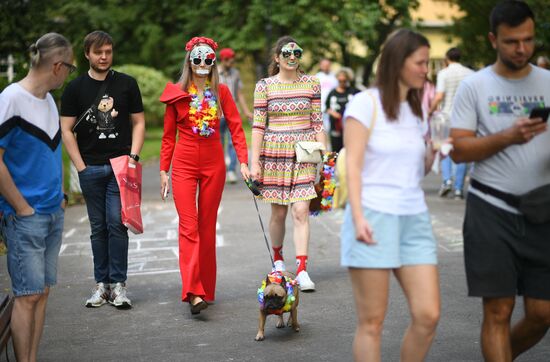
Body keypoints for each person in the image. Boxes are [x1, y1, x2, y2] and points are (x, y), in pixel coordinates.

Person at [450, 1, 550, 360]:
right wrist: (508, 136)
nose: (521, 49)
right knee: (498, 310)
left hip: (542, 209)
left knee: (542, 314)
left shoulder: (548, 83)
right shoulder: (475, 86)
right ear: (494, 39)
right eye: (511, 42)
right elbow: (459, 151)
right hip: (490, 208)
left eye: (527, 40)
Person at [341, 29, 440, 361]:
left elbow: (416, 170)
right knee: (372, 321)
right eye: (421, 63)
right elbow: (352, 165)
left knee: (428, 315)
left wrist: (433, 151)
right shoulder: (364, 103)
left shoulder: (417, 109)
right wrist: (357, 217)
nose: (426, 70)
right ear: (399, 62)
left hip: (414, 217)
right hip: (373, 216)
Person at [159, 37, 250, 315]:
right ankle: (193, 291)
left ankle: (206, 289)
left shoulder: (221, 91)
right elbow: (167, 137)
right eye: (197, 59)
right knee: (189, 226)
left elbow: (236, 128)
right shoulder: (176, 93)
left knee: (207, 227)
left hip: (214, 165)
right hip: (184, 165)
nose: (202, 64)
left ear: (214, 63)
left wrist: (244, 163)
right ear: (189, 60)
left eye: (207, 59)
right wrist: (164, 170)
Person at [0, 32, 73, 362]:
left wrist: (59, 196)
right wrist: (22, 206)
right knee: (27, 296)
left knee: (41, 293)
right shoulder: (11, 99)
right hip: (25, 217)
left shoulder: (48, 99)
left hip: (51, 212)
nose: (69, 73)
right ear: (57, 66)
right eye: (70, 67)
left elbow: (51, 151)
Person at [60, 30, 145, 309]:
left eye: (108, 51)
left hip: (120, 167)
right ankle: (102, 286)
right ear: (87, 54)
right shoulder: (74, 89)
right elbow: (66, 130)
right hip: (91, 168)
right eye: (98, 52)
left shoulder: (126, 84)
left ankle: (119, 286)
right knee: (98, 229)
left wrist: (132, 157)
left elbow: (138, 123)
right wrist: (81, 167)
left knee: (116, 225)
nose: (104, 57)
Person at [251, 36, 327, 292]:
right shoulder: (264, 86)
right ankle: (279, 260)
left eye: (297, 53)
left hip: (304, 154)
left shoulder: (312, 84)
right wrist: (254, 163)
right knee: (279, 212)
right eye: (287, 53)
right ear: (277, 57)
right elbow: (258, 127)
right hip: (273, 155)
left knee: (301, 211)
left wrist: (325, 156)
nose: (292, 57)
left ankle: (303, 269)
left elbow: (317, 122)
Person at [429, 47, 474, 199]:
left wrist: (429, 111)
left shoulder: (444, 73)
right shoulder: (470, 74)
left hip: (446, 117)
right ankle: (458, 188)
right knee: (461, 151)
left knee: (444, 150)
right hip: (465, 118)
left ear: (447, 59)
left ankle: (447, 180)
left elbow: (439, 95)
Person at [218, 47, 253, 184]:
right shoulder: (214, 73)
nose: (230, 62)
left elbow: (239, 94)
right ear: (223, 59)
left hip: (232, 113)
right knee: (219, 142)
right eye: (228, 60)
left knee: (233, 142)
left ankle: (231, 170)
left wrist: (246, 111)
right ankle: (221, 168)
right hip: (217, 114)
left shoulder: (236, 73)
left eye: (232, 59)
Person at [325, 68, 359, 152]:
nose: (342, 82)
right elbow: (326, 107)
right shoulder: (332, 93)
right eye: (340, 81)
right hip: (335, 126)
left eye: (344, 81)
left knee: (348, 150)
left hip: (349, 127)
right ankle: (329, 165)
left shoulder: (353, 91)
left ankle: (346, 165)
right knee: (333, 150)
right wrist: (333, 113)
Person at [315, 58, 338, 135]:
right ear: (320, 66)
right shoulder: (317, 77)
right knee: (320, 131)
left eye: (327, 65)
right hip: (319, 108)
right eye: (324, 65)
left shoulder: (335, 77)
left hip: (332, 108)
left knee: (331, 131)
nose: (326, 67)